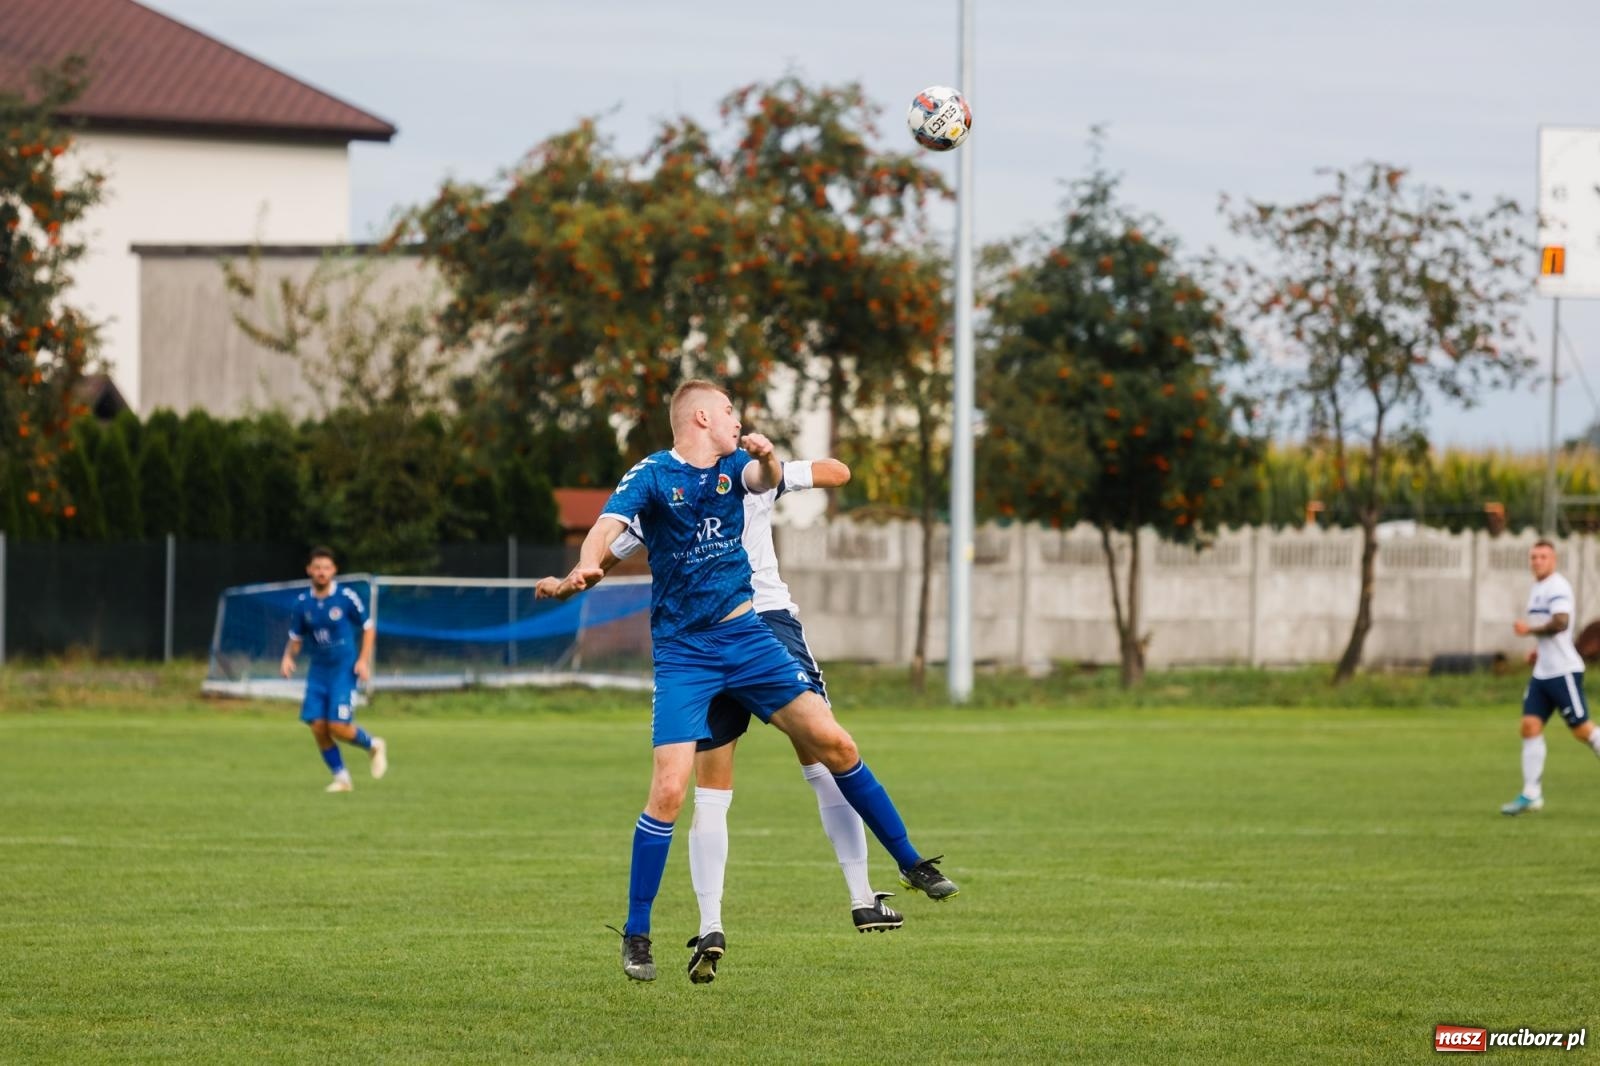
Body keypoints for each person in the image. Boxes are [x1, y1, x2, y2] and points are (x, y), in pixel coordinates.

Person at [554, 380, 956, 983]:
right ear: (701, 417)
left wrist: (772, 459)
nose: (739, 420)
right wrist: (582, 568)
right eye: (731, 411)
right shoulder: (655, 478)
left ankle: (902, 865)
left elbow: (791, 477)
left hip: (751, 639)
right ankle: (640, 934)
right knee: (671, 792)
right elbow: (610, 529)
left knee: (834, 747)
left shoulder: (741, 467)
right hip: (686, 656)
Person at [1502, 539, 1600, 815]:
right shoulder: (1537, 588)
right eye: (1533, 557)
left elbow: (1561, 623)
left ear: (1553, 560)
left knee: (1582, 730)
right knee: (1530, 727)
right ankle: (1531, 795)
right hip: (1543, 672)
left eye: (1543, 556)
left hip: (1563, 672)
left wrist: (1529, 631)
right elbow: (1553, 632)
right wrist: (1537, 651)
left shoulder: (1557, 586)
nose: (1537, 561)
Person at [279, 546, 387, 793]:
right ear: (309, 570)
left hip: (343, 669)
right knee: (317, 725)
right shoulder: (302, 604)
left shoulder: (346, 597)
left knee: (337, 726)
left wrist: (363, 660)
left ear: (334, 570)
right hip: (318, 671)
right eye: (317, 568)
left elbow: (368, 627)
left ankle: (373, 745)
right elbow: (296, 637)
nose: (321, 572)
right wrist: (287, 658)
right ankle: (342, 778)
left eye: (326, 568)